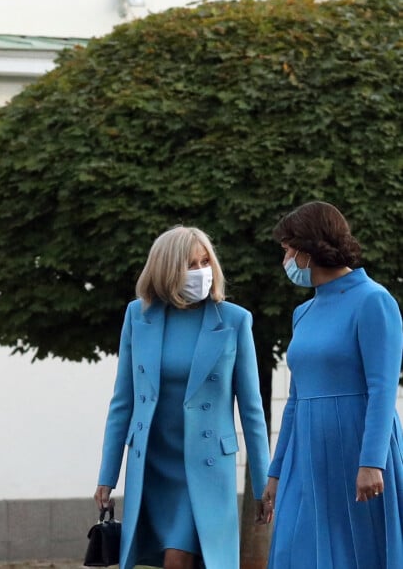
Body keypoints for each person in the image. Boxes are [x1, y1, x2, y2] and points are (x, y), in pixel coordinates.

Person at [93, 225, 272, 569]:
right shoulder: (138, 315)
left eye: (206, 261)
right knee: (169, 559)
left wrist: (262, 484)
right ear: (167, 268)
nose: (202, 271)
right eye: (191, 264)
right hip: (154, 462)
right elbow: (123, 402)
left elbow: (251, 409)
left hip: (204, 465)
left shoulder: (235, 320)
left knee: (178, 557)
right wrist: (107, 475)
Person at [263, 201, 403, 568]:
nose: (286, 260)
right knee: (295, 551)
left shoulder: (374, 300)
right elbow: (294, 399)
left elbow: (383, 388)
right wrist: (276, 471)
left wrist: (371, 462)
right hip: (306, 453)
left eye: (288, 250)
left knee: (357, 554)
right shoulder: (303, 312)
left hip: (357, 450)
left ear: (308, 249)